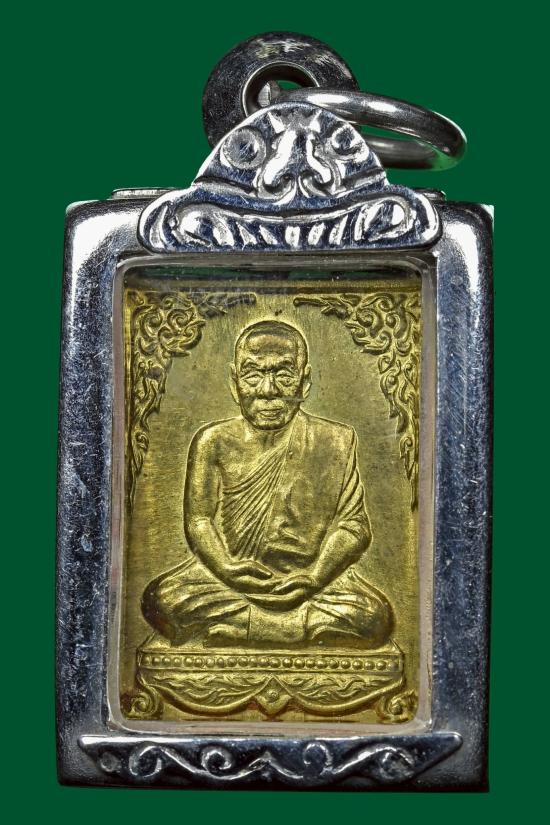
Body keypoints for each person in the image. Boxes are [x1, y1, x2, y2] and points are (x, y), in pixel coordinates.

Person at [142, 320, 393, 648]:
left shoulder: (335, 440)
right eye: (253, 375)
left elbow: (354, 527)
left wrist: (316, 576)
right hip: (232, 581)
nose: (267, 390)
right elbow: (199, 520)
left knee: (375, 616)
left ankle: (246, 627)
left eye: (283, 375)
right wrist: (226, 568)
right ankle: (297, 629)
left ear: (304, 382)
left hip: (311, 583)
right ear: (235, 383)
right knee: (161, 600)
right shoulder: (213, 441)